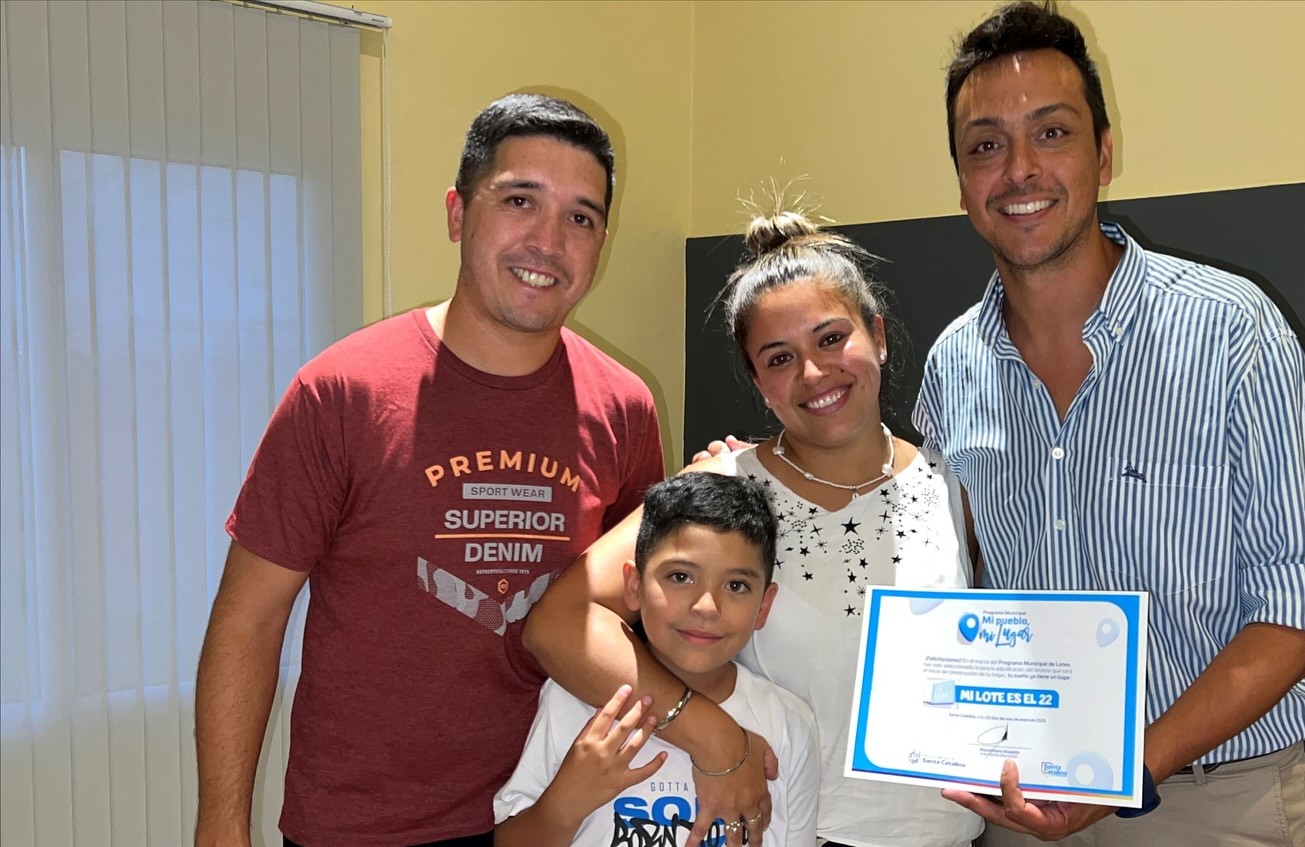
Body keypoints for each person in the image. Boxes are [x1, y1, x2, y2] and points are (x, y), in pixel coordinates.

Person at [914, 3, 1305, 845]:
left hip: (1214, 803)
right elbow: (945, 587)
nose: (1019, 169)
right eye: (985, 145)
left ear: (1103, 154)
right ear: (962, 182)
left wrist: (1126, 768)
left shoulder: (1232, 330)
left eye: (1052, 133)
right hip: (1020, 803)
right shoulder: (951, 367)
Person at [193, 93, 666, 847]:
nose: (549, 241)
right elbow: (248, 619)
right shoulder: (342, 393)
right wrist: (221, 824)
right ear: (457, 214)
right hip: (361, 829)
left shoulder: (624, 406)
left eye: (580, 217)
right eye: (519, 201)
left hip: (552, 812)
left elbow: (637, 606)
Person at [525, 209, 984, 847]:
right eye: (780, 357)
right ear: (757, 381)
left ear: (877, 335)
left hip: (947, 833)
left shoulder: (957, 482)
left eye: (831, 338)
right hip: (785, 829)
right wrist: (709, 734)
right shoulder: (726, 487)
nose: (814, 373)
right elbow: (558, 624)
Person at [494, 472, 821, 847]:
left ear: (763, 605)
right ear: (634, 586)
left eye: (736, 585)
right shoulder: (572, 699)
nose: (706, 606)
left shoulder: (789, 725)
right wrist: (563, 806)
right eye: (680, 577)